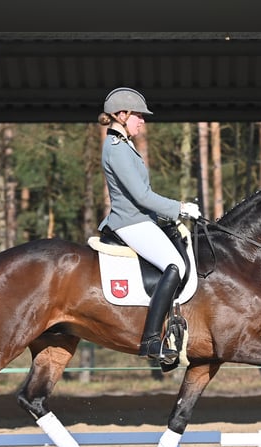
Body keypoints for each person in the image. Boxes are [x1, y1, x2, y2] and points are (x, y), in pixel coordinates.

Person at [97, 87, 201, 364]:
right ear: (122, 115)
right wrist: (179, 208)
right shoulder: (116, 149)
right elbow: (141, 196)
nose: (142, 121)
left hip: (142, 218)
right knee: (174, 265)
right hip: (130, 221)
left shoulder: (124, 144)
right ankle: (152, 340)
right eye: (138, 116)